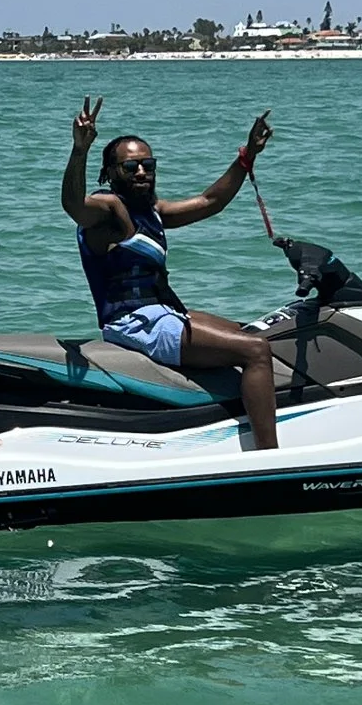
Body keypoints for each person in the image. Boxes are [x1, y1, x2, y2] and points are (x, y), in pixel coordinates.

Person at [62, 97, 280, 448]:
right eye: (130, 166)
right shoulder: (108, 210)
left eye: (147, 164)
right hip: (133, 324)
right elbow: (74, 205)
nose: (141, 172)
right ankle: (269, 455)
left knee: (251, 333)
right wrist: (79, 150)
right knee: (255, 350)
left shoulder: (153, 212)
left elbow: (210, 202)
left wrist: (247, 155)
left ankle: (231, 421)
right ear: (111, 173)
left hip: (162, 314)